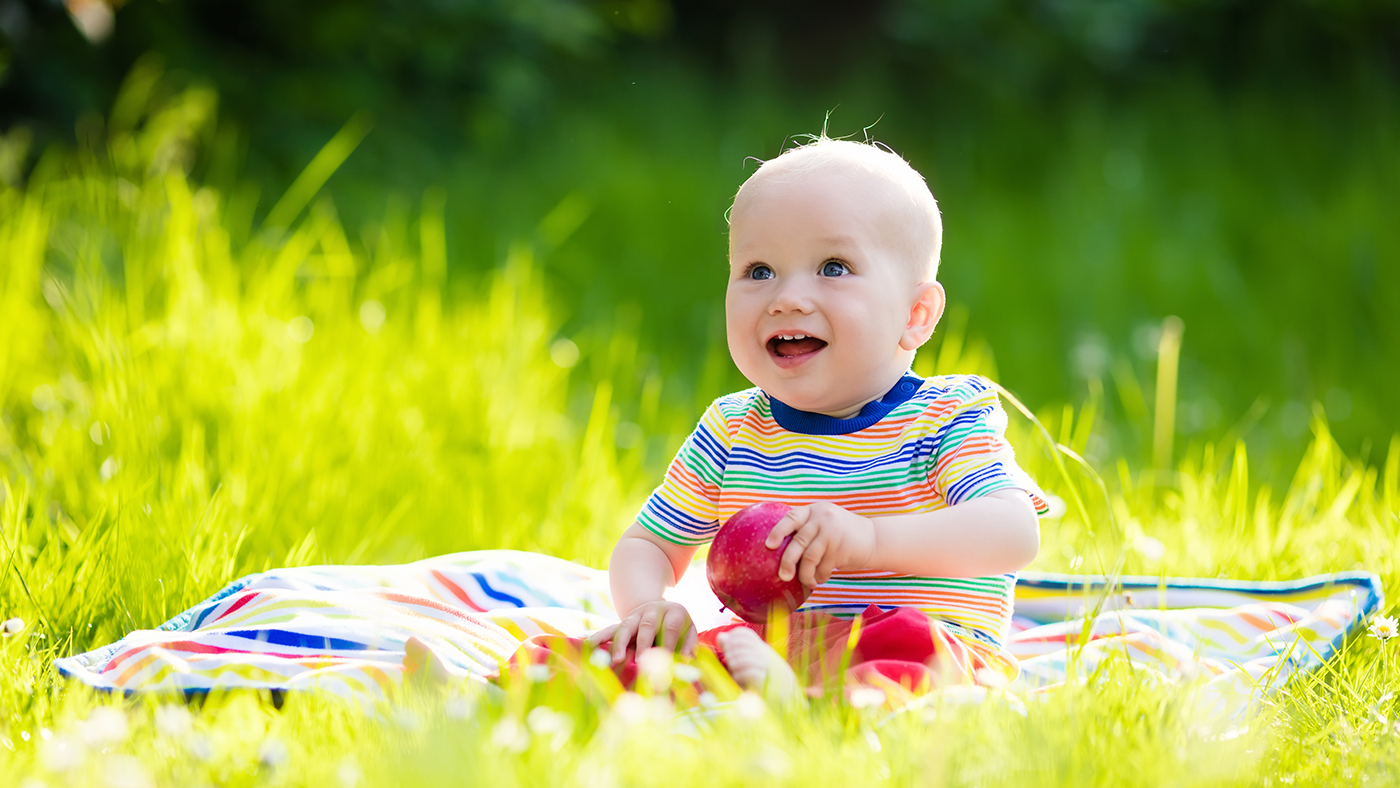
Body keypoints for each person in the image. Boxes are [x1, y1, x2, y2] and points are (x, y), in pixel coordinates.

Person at [584, 136, 1048, 696]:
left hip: (914, 643)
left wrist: (870, 540)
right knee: (624, 659)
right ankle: (495, 686)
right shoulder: (733, 431)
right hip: (769, 650)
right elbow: (650, 546)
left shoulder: (945, 416)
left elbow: (1013, 530)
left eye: (833, 267)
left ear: (915, 314)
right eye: (759, 271)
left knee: (908, 654)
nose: (787, 298)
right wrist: (651, 607)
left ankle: (817, 705)